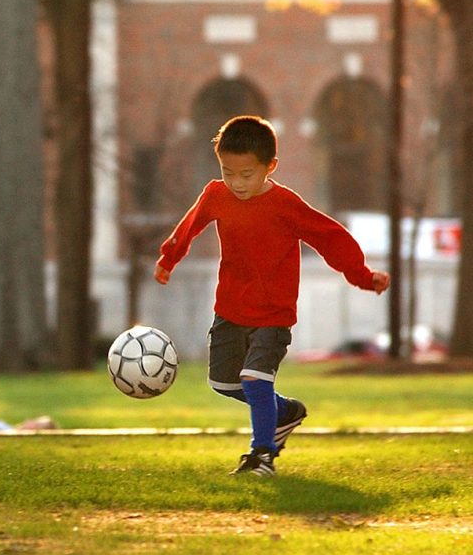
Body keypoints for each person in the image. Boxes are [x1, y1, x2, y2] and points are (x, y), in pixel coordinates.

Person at [154, 115, 390, 477]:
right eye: (227, 171)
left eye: (246, 174)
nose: (236, 183)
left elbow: (330, 237)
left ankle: (262, 455)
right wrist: (169, 258)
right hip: (230, 310)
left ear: (270, 167)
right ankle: (285, 412)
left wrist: (360, 275)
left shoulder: (285, 205)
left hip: (273, 314)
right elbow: (190, 224)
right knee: (224, 383)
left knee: (254, 379)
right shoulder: (216, 195)